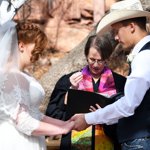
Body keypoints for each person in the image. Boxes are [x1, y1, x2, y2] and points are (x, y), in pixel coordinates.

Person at [70, 0, 150, 149]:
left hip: (140, 140)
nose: (115, 38)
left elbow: (129, 105)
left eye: (116, 31)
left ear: (132, 27)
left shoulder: (145, 57)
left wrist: (89, 118)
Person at [0, 1, 74, 150]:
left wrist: (65, 124)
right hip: (16, 142)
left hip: (33, 140)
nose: (39, 53)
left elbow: (34, 114)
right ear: (21, 45)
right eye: (37, 47)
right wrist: (62, 130)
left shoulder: (25, 75)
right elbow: (23, 122)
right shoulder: (9, 77)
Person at [46, 34, 126, 150]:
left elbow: (129, 120)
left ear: (107, 59)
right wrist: (70, 93)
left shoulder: (120, 83)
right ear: (86, 56)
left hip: (110, 143)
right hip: (74, 143)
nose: (96, 65)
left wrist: (106, 116)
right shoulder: (68, 81)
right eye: (92, 60)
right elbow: (52, 115)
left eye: (100, 61)